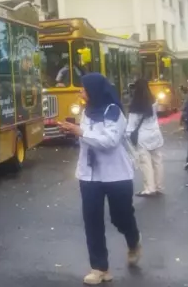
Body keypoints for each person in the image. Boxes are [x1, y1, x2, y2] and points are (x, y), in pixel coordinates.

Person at [58, 73, 141, 285]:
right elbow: (86, 138)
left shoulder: (114, 113)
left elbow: (110, 141)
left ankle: (133, 240)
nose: (80, 92)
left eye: (83, 89)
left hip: (116, 175)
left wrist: (80, 131)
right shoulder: (87, 112)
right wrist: (73, 132)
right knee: (92, 220)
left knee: (121, 217)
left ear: (94, 90)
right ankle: (100, 268)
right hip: (89, 175)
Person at [127, 79, 165, 196]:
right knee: (157, 161)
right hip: (155, 133)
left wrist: (129, 141)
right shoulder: (153, 101)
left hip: (143, 137)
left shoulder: (135, 106)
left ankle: (149, 188)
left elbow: (130, 126)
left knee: (145, 162)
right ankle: (159, 186)